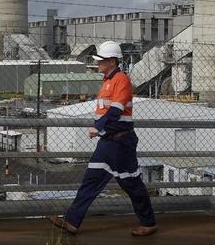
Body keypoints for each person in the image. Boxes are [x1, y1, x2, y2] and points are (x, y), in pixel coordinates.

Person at [51, 41, 157, 237]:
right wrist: (100, 131)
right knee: (90, 182)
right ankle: (72, 222)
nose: (98, 64)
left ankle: (148, 222)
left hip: (121, 143)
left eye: (101, 60)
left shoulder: (121, 80)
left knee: (131, 184)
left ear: (112, 61)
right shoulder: (107, 81)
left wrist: (97, 128)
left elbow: (116, 110)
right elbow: (105, 111)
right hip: (107, 143)